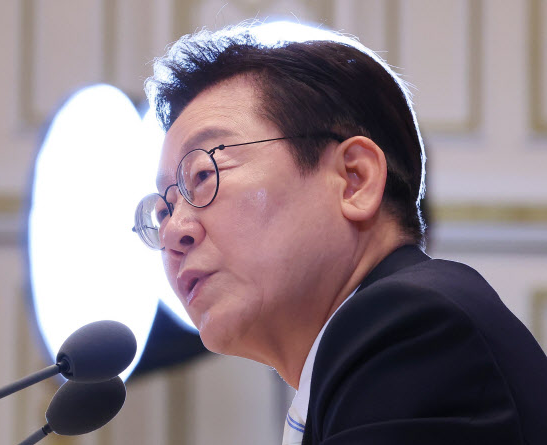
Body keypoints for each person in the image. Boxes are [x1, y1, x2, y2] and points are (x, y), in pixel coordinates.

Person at [132, 24, 547, 445]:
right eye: (164, 210)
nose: (173, 233)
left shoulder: (413, 328)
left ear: (354, 180)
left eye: (203, 175)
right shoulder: (352, 362)